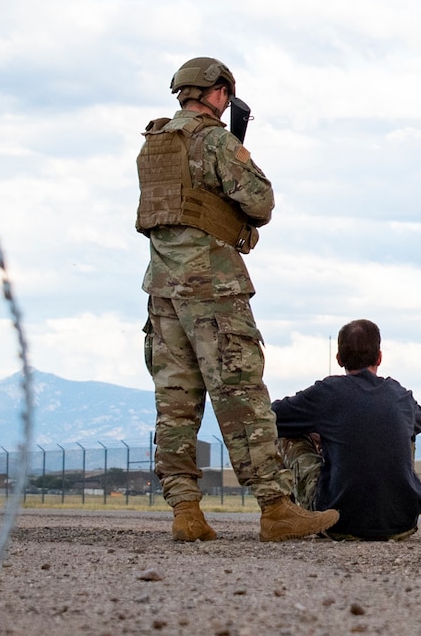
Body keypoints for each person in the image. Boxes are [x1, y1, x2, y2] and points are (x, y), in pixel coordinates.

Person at [137, 56, 337, 544]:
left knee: (176, 404)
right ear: (219, 92)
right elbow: (261, 202)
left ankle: (186, 511)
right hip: (214, 290)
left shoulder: (152, 147)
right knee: (242, 395)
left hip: (162, 292)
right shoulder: (217, 141)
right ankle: (276, 508)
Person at [271, 319, 421, 541]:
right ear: (379, 357)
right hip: (403, 523)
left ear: (339, 359)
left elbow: (271, 417)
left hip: (337, 521)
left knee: (287, 436)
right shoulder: (400, 395)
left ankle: (289, 513)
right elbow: (418, 422)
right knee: (405, 433)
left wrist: (317, 432)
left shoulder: (327, 393)